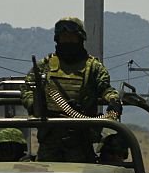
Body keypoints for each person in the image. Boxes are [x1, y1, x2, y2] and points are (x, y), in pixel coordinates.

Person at [22, 16, 122, 162]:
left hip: (81, 136)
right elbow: (27, 88)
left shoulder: (93, 67)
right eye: (64, 37)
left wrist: (113, 102)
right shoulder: (45, 65)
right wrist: (34, 104)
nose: (67, 41)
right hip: (50, 135)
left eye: (71, 37)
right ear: (57, 39)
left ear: (80, 39)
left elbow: (105, 88)